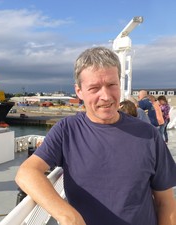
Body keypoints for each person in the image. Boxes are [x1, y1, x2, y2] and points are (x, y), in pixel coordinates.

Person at [15, 46, 176, 225]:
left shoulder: (148, 135)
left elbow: (165, 202)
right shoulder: (67, 131)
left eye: (111, 85)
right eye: (94, 88)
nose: (105, 96)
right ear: (79, 91)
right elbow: (27, 172)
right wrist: (68, 216)